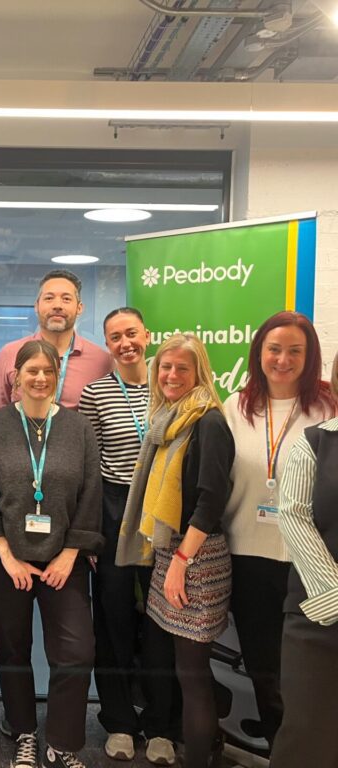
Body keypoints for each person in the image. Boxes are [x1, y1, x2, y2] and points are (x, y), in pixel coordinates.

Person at [0, 339, 103, 768]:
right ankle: (24, 731)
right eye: (32, 371)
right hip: (4, 559)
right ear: (16, 378)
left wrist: (68, 555)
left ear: (58, 375)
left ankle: (61, 742)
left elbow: (90, 495)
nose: (40, 378)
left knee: (76, 652)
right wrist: (6, 555)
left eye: (48, 370)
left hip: (65, 558)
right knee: (13, 649)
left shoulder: (79, 428)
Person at [116, 333, 234, 768]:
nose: (171, 375)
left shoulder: (208, 422)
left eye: (182, 368)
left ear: (198, 372)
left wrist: (182, 562)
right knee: (181, 668)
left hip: (195, 557)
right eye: (165, 367)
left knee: (193, 675)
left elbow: (210, 501)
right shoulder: (170, 419)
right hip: (174, 553)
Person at [222, 311, 336, 749]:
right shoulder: (237, 405)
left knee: (304, 671)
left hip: (308, 561)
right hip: (248, 553)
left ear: (310, 357)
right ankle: (277, 741)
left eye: (294, 351)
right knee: (261, 663)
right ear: (259, 353)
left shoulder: (328, 407)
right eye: (274, 349)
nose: (282, 360)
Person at [80, 307, 179, 766]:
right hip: (115, 512)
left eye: (132, 334)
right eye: (115, 336)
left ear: (147, 335)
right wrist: (93, 535)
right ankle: (119, 719)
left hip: (164, 515)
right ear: (108, 343)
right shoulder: (96, 393)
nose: (125, 343)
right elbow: (88, 470)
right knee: (113, 620)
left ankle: (161, 725)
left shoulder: (172, 390)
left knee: (163, 624)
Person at [269, 352, 338, 768]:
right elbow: (293, 515)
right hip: (319, 617)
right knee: (309, 734)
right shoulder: (315, 443)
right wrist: (334, 594)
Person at [0, 269, 110, 411]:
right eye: (49, 298)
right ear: (37, 306)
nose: (57, 305)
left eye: (66, 299)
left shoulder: (102, 361)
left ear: (79, 308)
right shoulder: (10, 353)